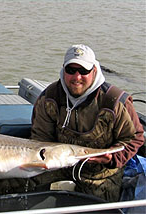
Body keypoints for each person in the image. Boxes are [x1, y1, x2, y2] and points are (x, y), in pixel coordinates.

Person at [30, 44, 144, 202]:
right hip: (58, 165)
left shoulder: (114, 102)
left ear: (95, 71)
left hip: (100, 174)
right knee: (1, 184)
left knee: (97, 207)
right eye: (71, 70)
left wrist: (112, 158)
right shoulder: (49, 97)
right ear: (63, 70)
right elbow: (39, 141)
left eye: (83, 71)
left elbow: (135, 137)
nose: (77, 77)